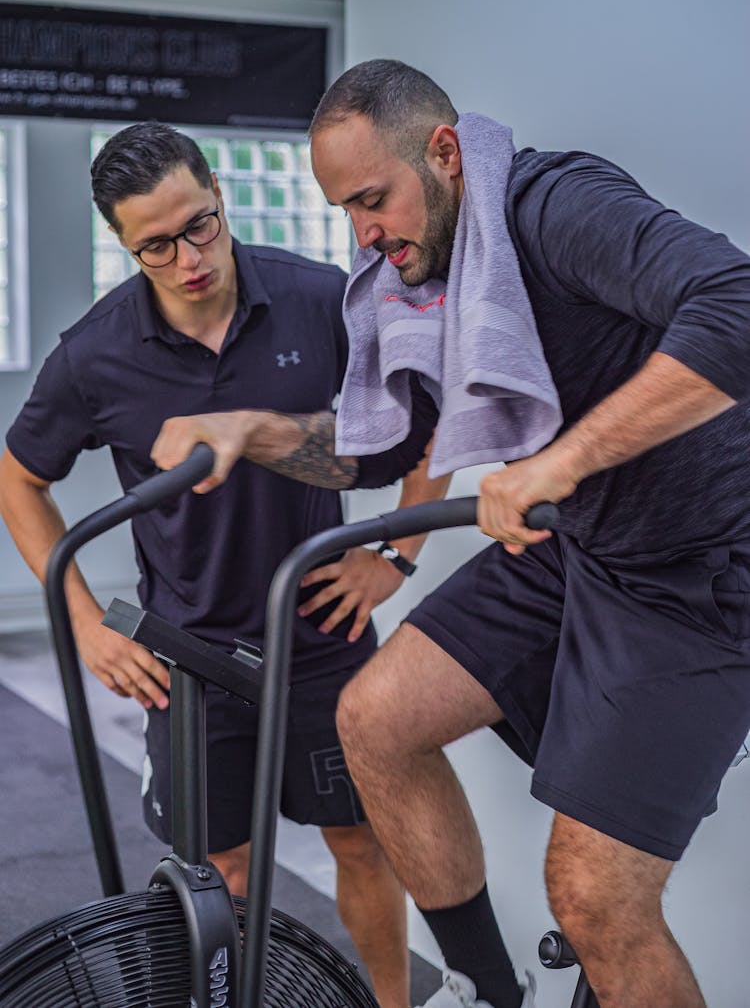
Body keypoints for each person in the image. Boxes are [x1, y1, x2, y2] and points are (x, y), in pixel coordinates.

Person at [149, 59, 750, 1008]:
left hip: (703, 571)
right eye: (345, 211)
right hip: (583, 542)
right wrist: (253, 433)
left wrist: (562, 461)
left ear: (445, 152)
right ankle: (485, 994)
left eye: (374, 200)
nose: (366, 233)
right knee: (375, 719)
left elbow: (738, 305)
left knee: (594, 898)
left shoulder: (555, 206)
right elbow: (391, 450)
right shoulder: (427, 267)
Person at [0, 119, 450, 1008]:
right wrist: (85, 622)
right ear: (123, 243)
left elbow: (427, 425)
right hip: (190, 659)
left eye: (199, 224)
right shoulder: (94, 354)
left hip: (321, 632)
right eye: (155, 246)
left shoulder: (321, 298)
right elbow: (18, 480)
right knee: (223, 869)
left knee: (361, 840)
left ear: (218, 190)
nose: (189, 258)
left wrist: (395, 554)